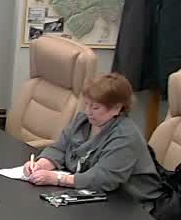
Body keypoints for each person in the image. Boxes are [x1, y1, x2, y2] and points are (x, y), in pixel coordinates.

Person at [21, 72, 162, 204]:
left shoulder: (126, 136)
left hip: (127, 202)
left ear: (116, 108)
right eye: (86, 104)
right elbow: (60, 148)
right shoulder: (83, 120)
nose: (88, 111)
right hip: (89, 194)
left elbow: (103, 179)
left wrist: (56, 178)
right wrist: (41, 164)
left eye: (95, 108)